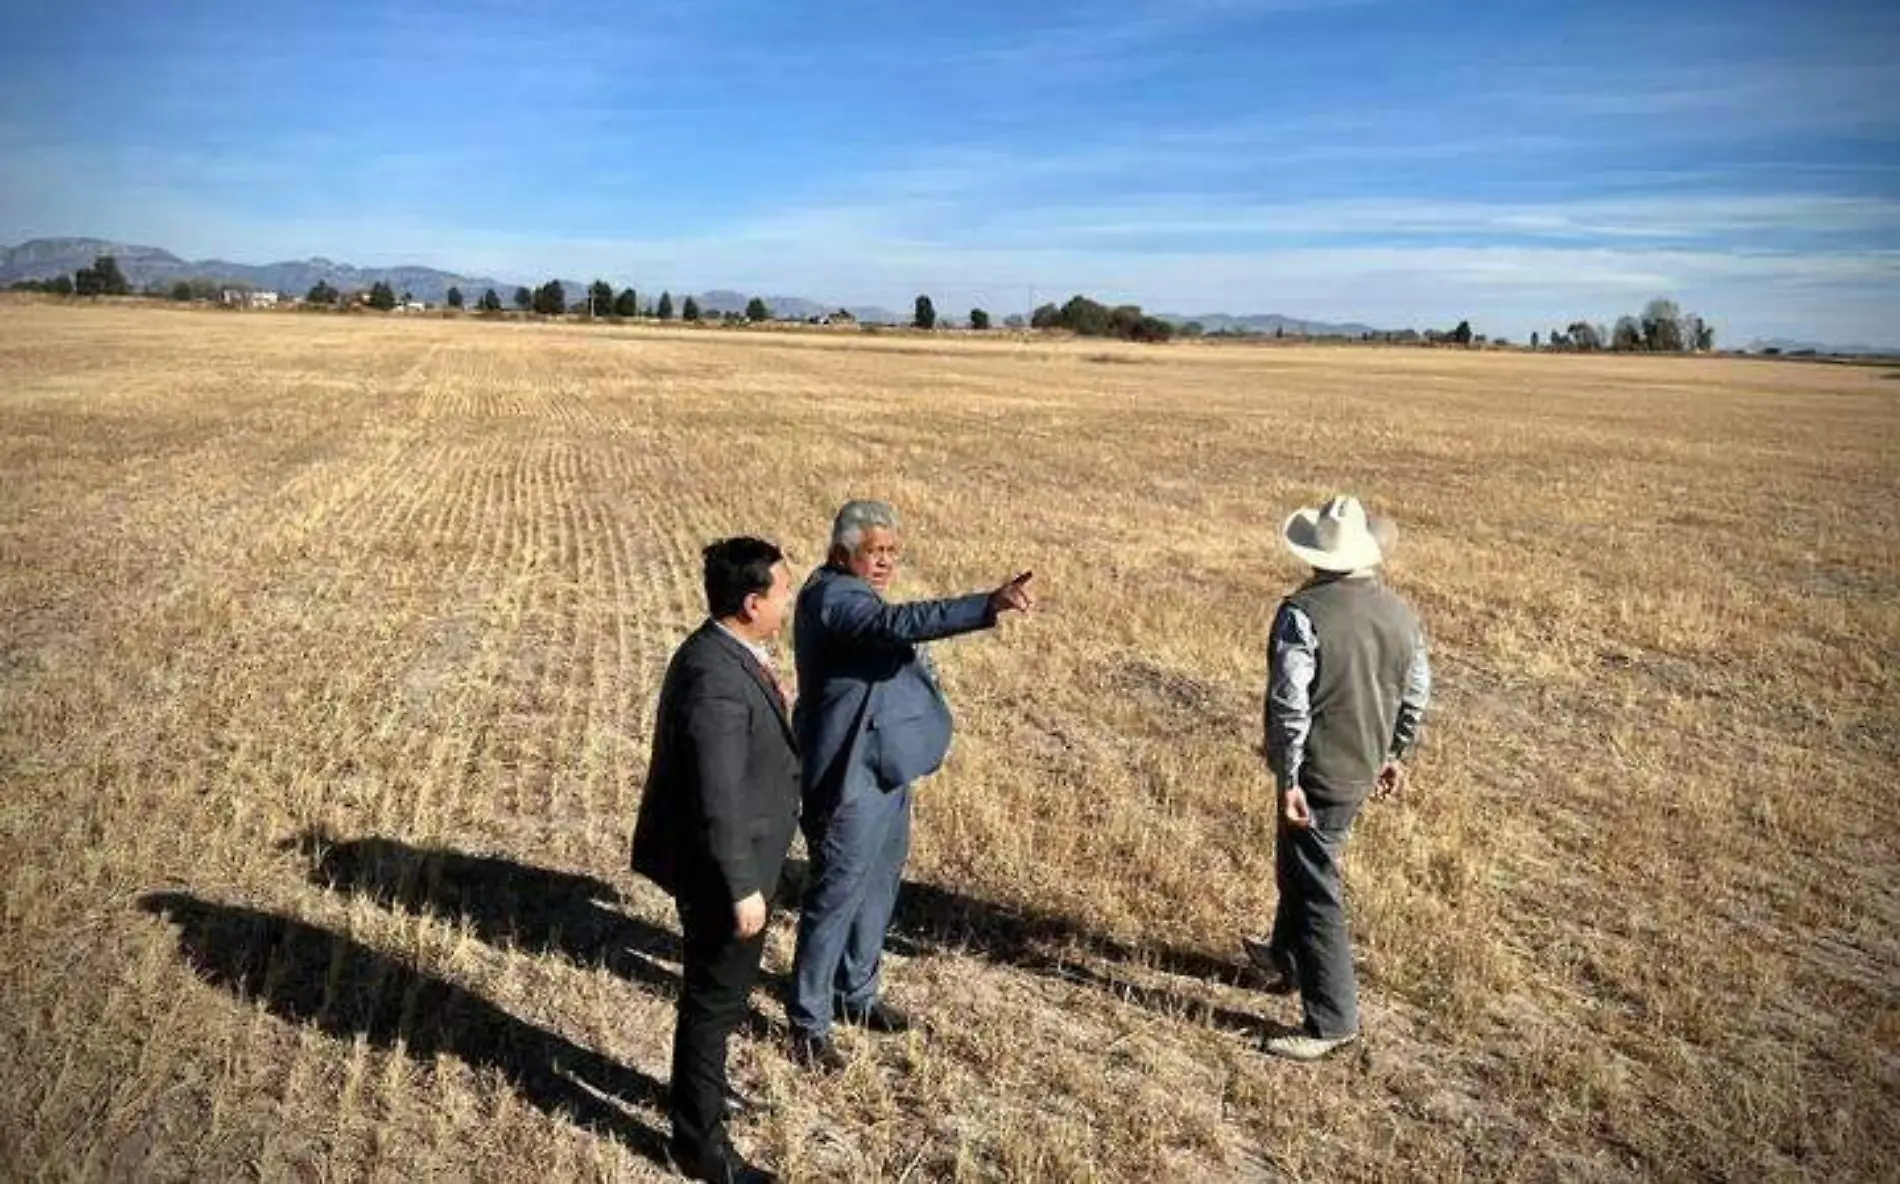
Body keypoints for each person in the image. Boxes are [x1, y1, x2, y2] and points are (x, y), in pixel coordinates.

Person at [786, 500, 1033, 1069]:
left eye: (893, 552)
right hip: (849, 774)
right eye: (875, 551)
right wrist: (985, 605)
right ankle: (809, 1020)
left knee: (878, 886)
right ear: (842, 552)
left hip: (884, 769)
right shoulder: (833, 598)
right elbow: (893, 625)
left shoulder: (856, 592)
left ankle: (856, 992)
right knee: (836, 893)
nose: (885, 562)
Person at [631, 537, 799, 1182]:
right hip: (726, 873)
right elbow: (717, 798)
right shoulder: (716, 681)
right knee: (711, 1002)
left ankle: (698, 1098)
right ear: (752, 603)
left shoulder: (727, 653)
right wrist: (741, 887)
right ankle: (700, 1146)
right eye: (783, 591)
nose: (790, 602)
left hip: (741, 860)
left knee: (719, 1002)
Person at [1243, 495, 1431, 1062]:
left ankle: (1333, 1021)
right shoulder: (1402, 613)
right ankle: (1285, 957)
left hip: (1319, 769)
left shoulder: (1302, 612)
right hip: (1365, 763)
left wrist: (1290, 775)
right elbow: (1416, 691)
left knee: (1315, 883)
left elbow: (1290, 703)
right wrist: (1395, 753)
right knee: (1298, 863)